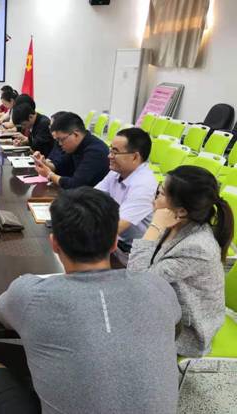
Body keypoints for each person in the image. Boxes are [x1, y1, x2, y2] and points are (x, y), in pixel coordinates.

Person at [0, 187, 181, 414]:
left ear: (54, 244)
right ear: (114, 243)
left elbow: (2, 312)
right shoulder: (158, 287)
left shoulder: (30, 295)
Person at [128, 165, 233, 357]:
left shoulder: (197, 247)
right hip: (165, 305)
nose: (155, 196)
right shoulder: (177, 224)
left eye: (161, 193)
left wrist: (154, 227)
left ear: (182, 211)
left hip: (187, 331)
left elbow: (137, 283)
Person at [95, 128, 157, 265]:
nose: (109, 156)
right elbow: (91, 197)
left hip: (134, 255)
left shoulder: (144, 184)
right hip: (116, 244)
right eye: (110, 150)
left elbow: (118, 226)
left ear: (135, 157)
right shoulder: (117, 171)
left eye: (115, 152)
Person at [33, 112, 109, 189]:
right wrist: (45, 164)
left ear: (75, 134)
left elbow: (75, 184)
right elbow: (60, 166)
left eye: (61, 140)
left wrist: (49, 174)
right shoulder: (76, 146)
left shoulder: (95, 152)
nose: (59, 144)